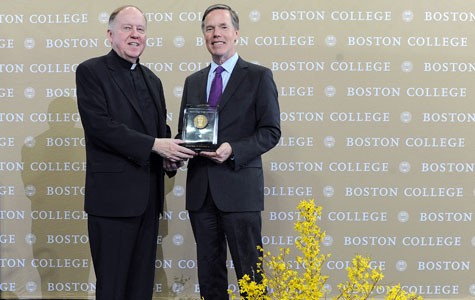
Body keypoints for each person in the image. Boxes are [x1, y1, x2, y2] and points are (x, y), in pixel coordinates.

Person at [75, 5, 196, 300]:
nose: (135, 35)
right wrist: (154, 145)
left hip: (149, 202)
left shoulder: (152, 80)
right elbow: (101, 127)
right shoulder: (90, 71)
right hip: (112, 203)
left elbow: (160, 132)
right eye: (127, 28)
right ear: (110, 34)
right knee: (113, 287)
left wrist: (171, 156)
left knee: (141, 288)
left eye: (140, 29)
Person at [177, 4, 281, 299]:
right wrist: (174, 150)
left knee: (250, 274)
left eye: (222, 27)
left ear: (236, 33)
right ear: (204, 36)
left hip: (239, 190)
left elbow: (271, 131)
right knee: (209, 276)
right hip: (201, 192)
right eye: (209, 29)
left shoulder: (259, 77)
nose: (216, 34)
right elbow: (188, 132)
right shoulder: (193, 81)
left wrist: (233, 149)